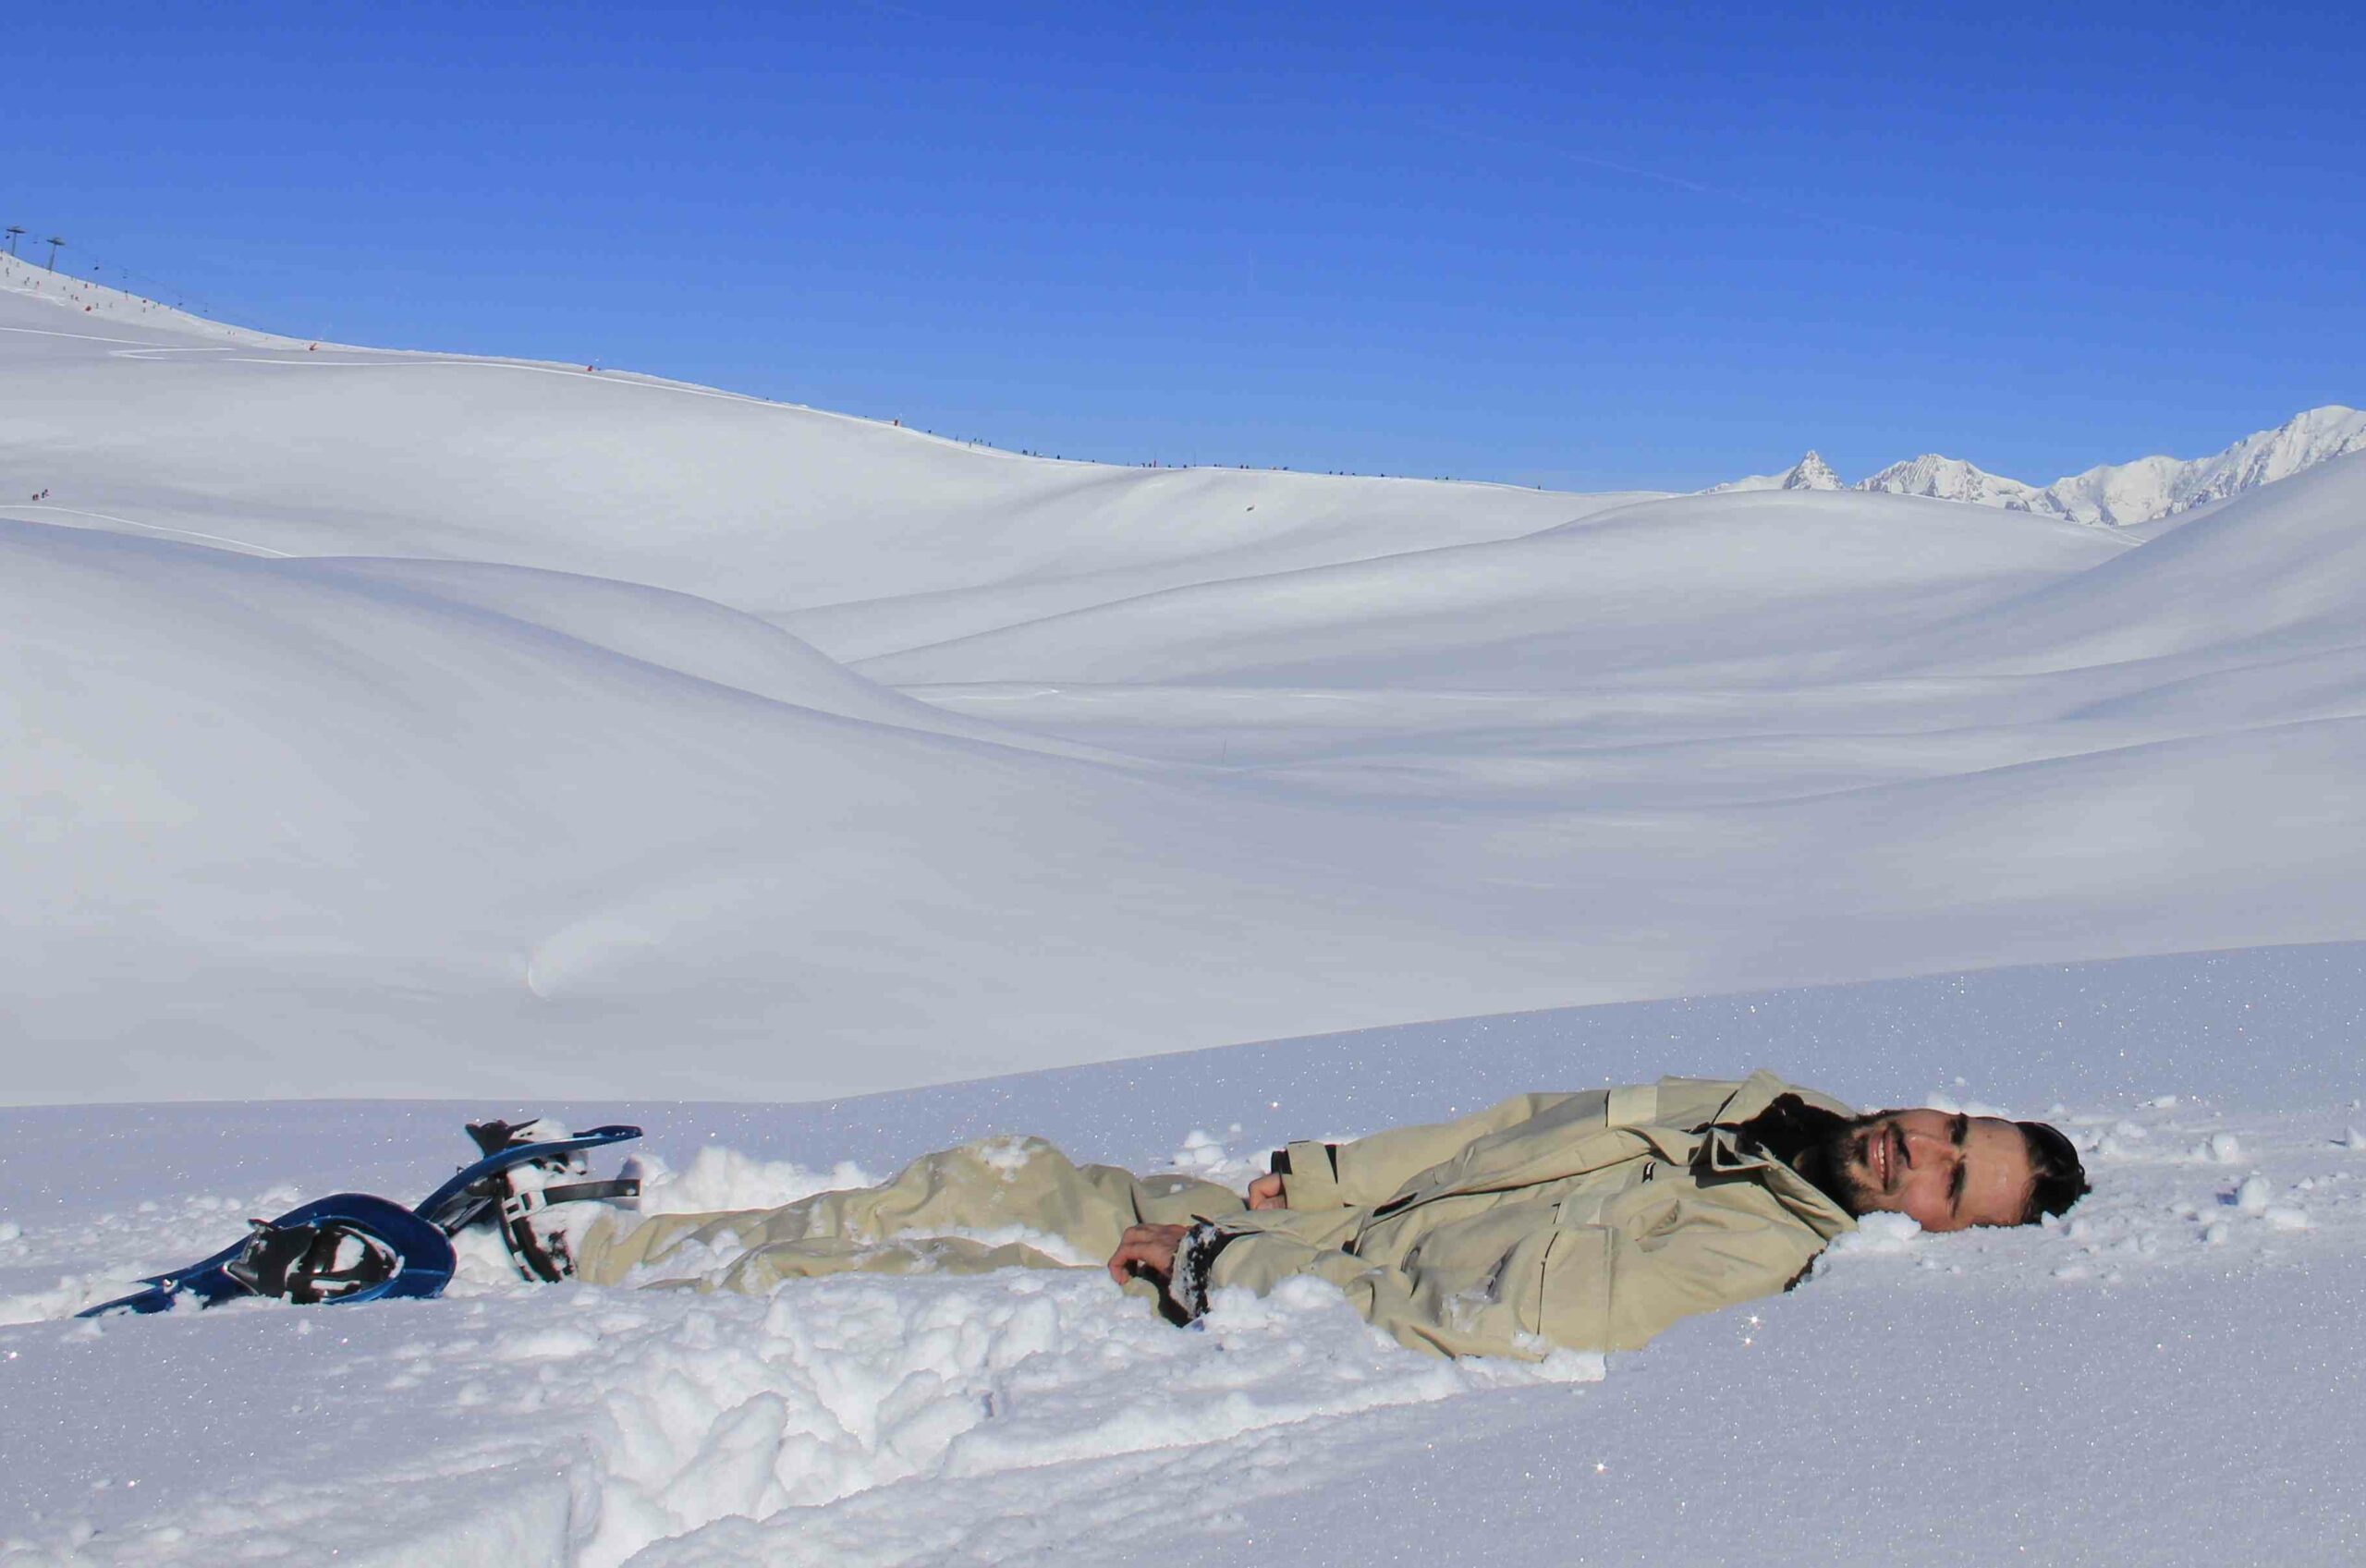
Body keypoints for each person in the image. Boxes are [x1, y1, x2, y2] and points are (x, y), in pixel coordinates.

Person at [574, 1070, 2087, 1360]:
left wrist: (1231, 1261)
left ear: (1941, 1241)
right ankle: (619, 1246)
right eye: (1956, 1129)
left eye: (1956, 1179)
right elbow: (1515, 1127)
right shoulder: (1770, 1112)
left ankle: (601, 1269)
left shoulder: (1757, 1250)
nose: (1923, 1151)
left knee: (967, 1248)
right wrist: (1328, 1171)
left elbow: (1515, 1314)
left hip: (1274, 1287)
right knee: (1003, 1171)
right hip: (1309, 1224)